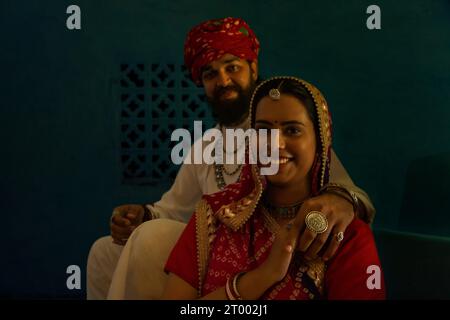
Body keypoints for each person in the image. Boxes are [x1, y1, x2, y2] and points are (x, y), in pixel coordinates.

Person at [88, 17, 375, 300]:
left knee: (150, 237)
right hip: (213, 244)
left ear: (253, 67)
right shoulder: (206, 145)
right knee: (104, 252)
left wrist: (342, 199)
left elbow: (345, 193)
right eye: (210, 74)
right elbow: (174, 210)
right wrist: (143, 214)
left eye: (232, 67)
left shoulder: (289, 128)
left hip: (277, 243)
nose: (223, 81)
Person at [162, 76, 385, 300]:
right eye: (263, 130)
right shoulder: (214, 215)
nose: (275, 145)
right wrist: (264, 276)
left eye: (292, 130)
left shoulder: (345, 234)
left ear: (321, 141)